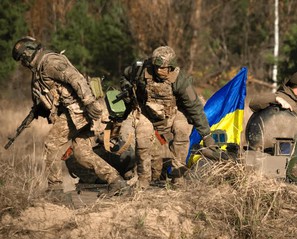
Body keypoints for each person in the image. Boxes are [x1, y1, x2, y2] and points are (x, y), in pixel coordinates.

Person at [12, 36, 128, 199]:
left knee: (51, 143)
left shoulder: (49, 62)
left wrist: (88, 103)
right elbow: (51, 95)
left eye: (22, 59)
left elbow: (76, 78)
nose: (23, 64)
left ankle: (55, 189)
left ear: (27, 55)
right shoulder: (39, 69)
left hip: (79, 111)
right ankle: (116, 182)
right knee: (81, 152)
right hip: (78, 112)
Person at [120, 46, 215, 189]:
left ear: (171, 67)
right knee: (142, 137)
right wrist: (126, 87)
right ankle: (143, 179)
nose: (159, 70)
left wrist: (206, 135)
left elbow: (195, 107)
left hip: (174, 112)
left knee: (182, 131)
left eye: (163, 68)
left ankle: (178, 177)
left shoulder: (180, 80)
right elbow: (124, 76)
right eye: (156, 67)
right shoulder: (140, 70)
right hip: (147, 112)